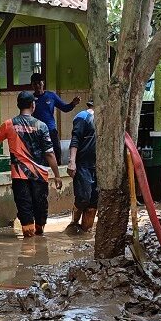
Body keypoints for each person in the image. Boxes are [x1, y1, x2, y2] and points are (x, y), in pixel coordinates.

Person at [0, 91, 63, 238]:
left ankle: (29, 239)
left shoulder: (9, 124)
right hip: (39, 175)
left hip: (19, 175)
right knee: (40, 206)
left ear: (18, 105)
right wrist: (57, 176)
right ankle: (39, 237)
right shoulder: (42, 126)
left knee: (24, 206)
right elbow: (50, 153)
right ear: (33, 105)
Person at [30, 72, 80, 164]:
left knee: (56, 154)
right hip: (37, 133)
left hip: (51, 131)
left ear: (43, 83)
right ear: (32, 85)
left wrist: (73, 104)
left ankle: (57, 176)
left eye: (39, 83)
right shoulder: (30, 98)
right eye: (35, 84)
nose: (37, 86)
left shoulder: (51, 96)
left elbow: (65, 108)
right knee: (40, 158)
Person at [67, 100, 97, 233]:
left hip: (98, 166)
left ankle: (85, 232)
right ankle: (73, 224)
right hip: (83, 164)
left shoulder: (106, 119)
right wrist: (72, 162)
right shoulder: (82, 117)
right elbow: (75, 139)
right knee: (83, 198)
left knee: (93, 203)